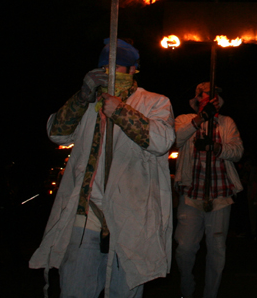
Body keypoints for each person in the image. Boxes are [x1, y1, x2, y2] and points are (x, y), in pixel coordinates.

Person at [29, 39, 175, 298]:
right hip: (86, 216)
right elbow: (57, 133)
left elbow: (161, 141)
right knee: (75, 291)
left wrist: (120, 111)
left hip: (130, 219)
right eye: (104, 69)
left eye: (116, 68)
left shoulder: (154, 102)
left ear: (133, 70)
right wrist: (81, 97)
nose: (109, 75)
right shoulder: (87, 103)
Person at [174, 82, 243, 298]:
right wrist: (201, 119)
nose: (212, 98)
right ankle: (187, 286)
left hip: (220, 196)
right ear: (197, 98)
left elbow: (238, 151)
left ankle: (210, 294)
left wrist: (216, 147)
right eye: (207, 94)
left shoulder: (226, 122)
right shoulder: (184, 119)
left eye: (215, 95)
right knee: (184, 248)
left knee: (217, 251)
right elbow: (175, 140)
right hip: (191, 195)